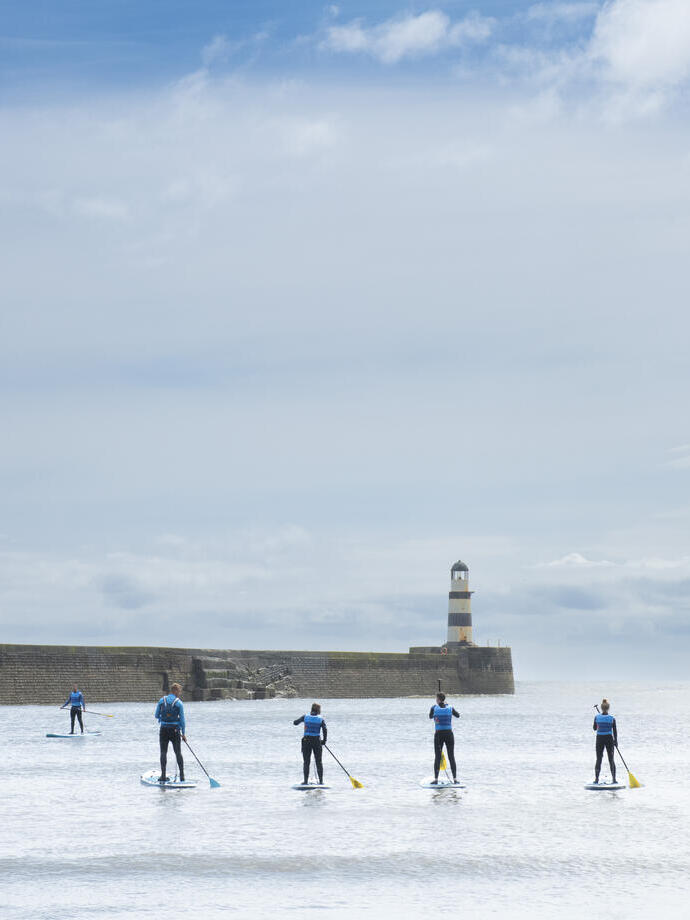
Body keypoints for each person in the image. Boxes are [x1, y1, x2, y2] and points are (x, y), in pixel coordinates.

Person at [155, 683, 186, 783]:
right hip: (175, 730)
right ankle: (182, 776)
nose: (179, 694)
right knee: (178, 753)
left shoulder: (161, 700)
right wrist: (184, 733)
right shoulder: (179, 703)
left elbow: (156, 715)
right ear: (175, 691)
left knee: (163, 752)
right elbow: (182, 720)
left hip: (163, 729)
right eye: (179, 691)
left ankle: (163, 776)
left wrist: (163, 719)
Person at [429, 692, 460, 784]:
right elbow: (458, 715)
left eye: (436, 698)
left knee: (437, 757)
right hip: (449, 734)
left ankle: (436, 779)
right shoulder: (450, 708)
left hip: (439, 735)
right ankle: (455, 779)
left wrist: (437, 709)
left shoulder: (434, 708)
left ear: (438, 699)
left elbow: (430, 716)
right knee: (451, 756)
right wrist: (447, 705)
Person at [293, 703, 327, 785]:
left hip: (306, 741)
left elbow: (295, 723)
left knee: (306, 762)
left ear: (311, 709)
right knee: (319, 761)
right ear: (318, 710)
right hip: (317, 742)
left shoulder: (305, 717)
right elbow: (325, 729)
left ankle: (305, 781)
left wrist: (300, 721)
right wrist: (324, 741)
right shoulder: (320, 719)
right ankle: (321, 781)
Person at [593, 698, 617, 784]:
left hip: (600, 739)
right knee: (611, 759)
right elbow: (615, 731)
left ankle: (596, 779)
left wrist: (599, 723)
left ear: (602, 708)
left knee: (599, 759)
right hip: (609, 739)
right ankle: (614, 779)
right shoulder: (612, 718)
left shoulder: (597, 717)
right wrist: (616, 742)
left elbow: (594, 728)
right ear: (608, 708)